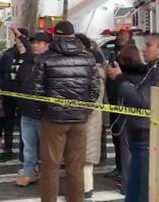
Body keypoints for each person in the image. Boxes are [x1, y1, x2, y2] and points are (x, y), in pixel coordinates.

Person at [35, 21, 100, 202]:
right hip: (79, 119)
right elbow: (95, 89)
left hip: (53, 119)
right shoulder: (88, 58)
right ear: (73, 35)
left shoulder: (45, 58)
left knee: (50, 167)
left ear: (55, 35)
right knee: (75, 167)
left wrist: (42, 113)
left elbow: (37, 90)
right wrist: (84, 109)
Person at [107, 33, 159, 202]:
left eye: (149, 45)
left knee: (140, 188)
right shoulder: (151, 69)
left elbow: (142, 100)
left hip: (146, 136)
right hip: (140, 134)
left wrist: (119, 78)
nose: (144, 49)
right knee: (135, 185)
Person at [106, 44, 147, 194]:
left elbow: (113, 95)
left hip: (126, 120)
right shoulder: (146, 72)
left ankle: (126, 186)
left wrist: (115, 77)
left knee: (127, 155)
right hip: (145, 120)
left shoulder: (119, 76)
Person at [15, 31, 50, 187]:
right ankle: (29, 173)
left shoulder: (51, 62)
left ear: (47, 45)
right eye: (33, 43)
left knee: (47, 147)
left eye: (39, 43)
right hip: (26, 110)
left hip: (45, 113)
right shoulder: (27, 61)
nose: (35, 45)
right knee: (28, 145)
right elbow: (20, 82)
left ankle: (47, 174)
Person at [75, 33, 106, 199]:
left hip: (89, 117)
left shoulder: (95, 74)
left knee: (86, 157)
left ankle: (86, 188)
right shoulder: (95, 71)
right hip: (87, 116)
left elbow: (95, 98)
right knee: (83, 155)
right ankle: (85, 187)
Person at [0, 27, 31, 163]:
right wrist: (2, 85)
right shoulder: (8, 54)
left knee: (25, 124)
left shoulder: (30, 56)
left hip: (25, 96)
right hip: (8, 94)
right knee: (8, 123)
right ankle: (7, 150)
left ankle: (24, 152)